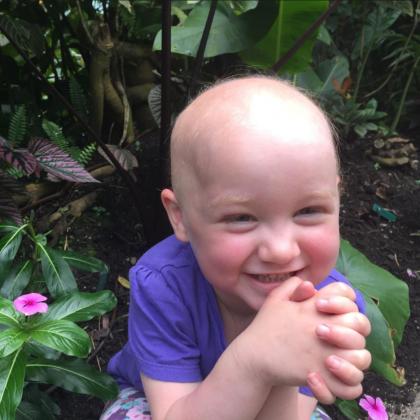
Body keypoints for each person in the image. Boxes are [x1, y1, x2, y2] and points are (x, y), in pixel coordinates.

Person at [102, 76, 371, 420]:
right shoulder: (163, 285)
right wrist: (254, 361)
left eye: (308, 211)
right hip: (165, 400)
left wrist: (287, 365)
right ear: (180, 217)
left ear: (336, 198)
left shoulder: (331, 307)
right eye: (242, 217)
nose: (280, 250)